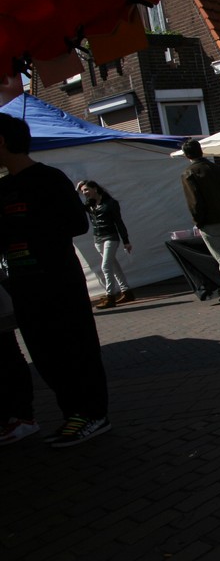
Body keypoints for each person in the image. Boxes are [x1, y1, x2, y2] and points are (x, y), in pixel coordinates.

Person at [0, 113, 112, 447]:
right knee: (44, 353)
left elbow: (77, 224)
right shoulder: (3, 188)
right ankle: (73, 413)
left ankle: (92, 414)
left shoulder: (48, 179)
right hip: (22, 284)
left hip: (57, 281)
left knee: (74, 347)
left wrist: (26, 227)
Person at [180, 138, 220, 305]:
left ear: (187, 155)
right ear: (201, 151)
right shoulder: (219, 169)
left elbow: (194, 202)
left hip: (210, 223)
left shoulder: (189, 173)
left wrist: (198, 221)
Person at [77, 180, 134, 309]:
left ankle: (110, 296)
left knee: (106, 266)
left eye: (86, 189)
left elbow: (119, 222)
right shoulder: (89, 204)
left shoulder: (110, 203)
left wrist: (126, 241)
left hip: (111, 237)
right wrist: (76, 191)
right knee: (113, 265)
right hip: (98, 239)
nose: (84, 193)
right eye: (82, 191)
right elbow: (76, 207)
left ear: (95, 189)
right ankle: (126, 291)